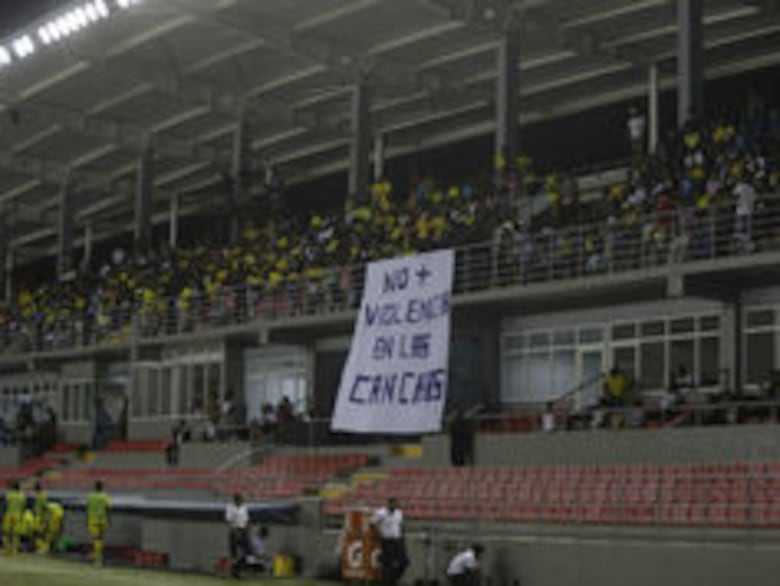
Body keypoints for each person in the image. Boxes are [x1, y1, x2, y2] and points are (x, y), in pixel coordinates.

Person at [370, 498, 407, 586]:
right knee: (389, 563)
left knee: (403, 561)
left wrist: (402, 537)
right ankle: (387, 582)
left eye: (395, 504)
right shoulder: (381, 513)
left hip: (398, 540)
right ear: (388, 504)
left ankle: (394, 578)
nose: (394, 506)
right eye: (392, 504)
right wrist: (378, 533)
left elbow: (400, 525)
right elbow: (372, 522)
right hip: (387, 540)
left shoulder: (399, 513)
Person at [86, 480, 111, 566]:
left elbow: (87, 508)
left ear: (95, 487)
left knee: (96, 539)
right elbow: (108, 508)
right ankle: (99, 558)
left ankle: (97, 559)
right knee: (100, 539)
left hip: (93, 520)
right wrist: (109, 519)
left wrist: (86, 520)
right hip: (102, 520)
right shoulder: (105, 497)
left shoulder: (90, 497)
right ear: (102, 487)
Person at [225, 493, 250, 579]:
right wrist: (235, 532)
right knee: (234, 552)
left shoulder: (244, 507)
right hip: (235, 530)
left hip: (243, 530)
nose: (241, 502)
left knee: (245, 551)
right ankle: (234, 572)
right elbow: (229, 521)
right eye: (239, 500)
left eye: (242, 500)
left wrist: (247, 528)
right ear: (236, 500)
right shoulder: (230, 507)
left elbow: (246, 519)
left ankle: (242, 570)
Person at [2, 480, 26, 554]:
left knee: (6, 532)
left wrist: (3, 514)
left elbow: (5, 505)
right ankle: (14, 549)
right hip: (18, 515)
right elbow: (23, 507)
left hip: (9, 515)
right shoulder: (22, 496)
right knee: (16, 534)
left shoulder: (9, 495)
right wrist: (22, 516)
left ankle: (6, 549)